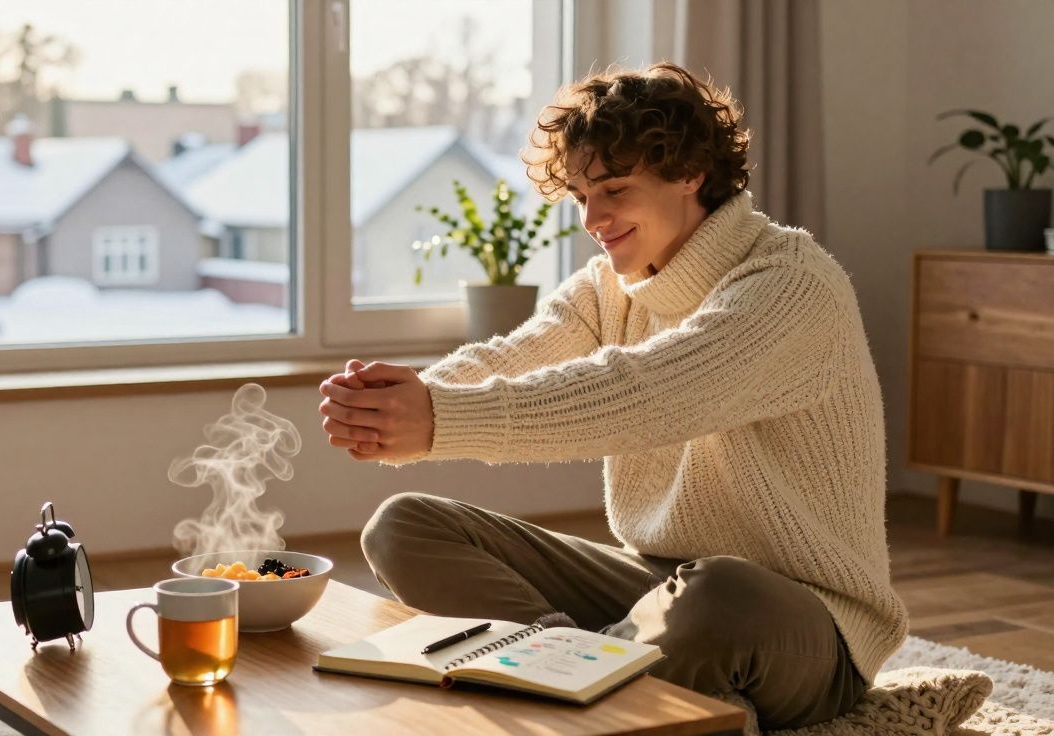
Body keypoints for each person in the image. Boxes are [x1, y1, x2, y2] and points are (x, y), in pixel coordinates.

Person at [316, 62, 905, 729]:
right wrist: (408, 396)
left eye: (613, 190)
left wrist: (439, 420)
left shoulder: (792, 286)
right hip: (656, 585)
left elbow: (651, 391)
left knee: (719, 592)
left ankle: (589, 686)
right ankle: (592, 679)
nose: (592, 219)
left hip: (805, 624)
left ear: (691, 173)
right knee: (403, 525)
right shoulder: (608, 287)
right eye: (579, 196)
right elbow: (516, 355)